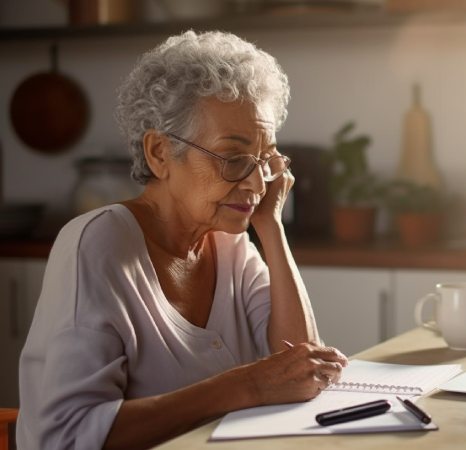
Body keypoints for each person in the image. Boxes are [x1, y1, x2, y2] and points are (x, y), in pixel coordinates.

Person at [16, 30, 348, 450]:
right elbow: (67, 437)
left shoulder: (231, 245)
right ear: (159, 153)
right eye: (233, 158)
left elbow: (300, 368)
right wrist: (245, 386)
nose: (256, 182)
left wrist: (271, 226)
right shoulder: (97, 245)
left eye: (264, 160)